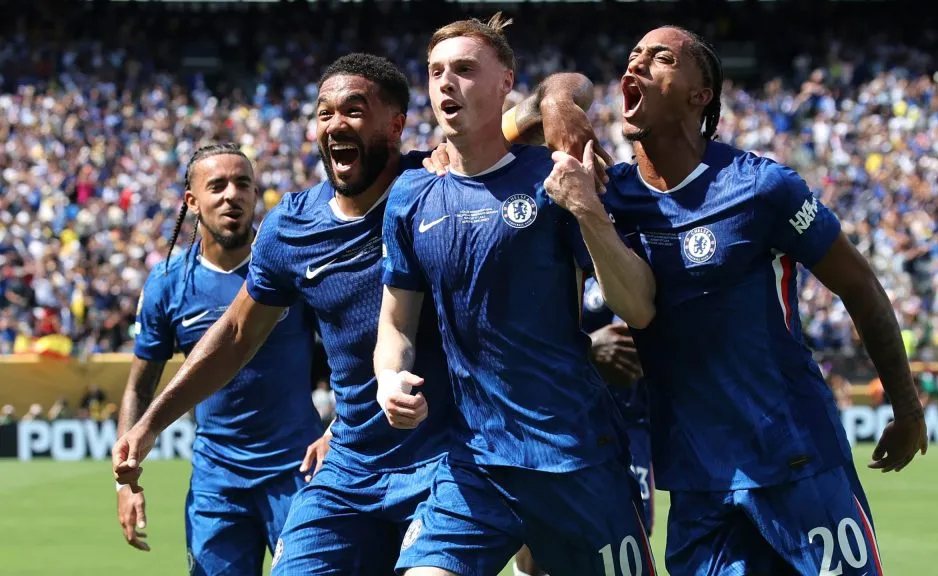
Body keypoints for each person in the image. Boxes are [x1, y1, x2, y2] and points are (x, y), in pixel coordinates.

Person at [113, 53, 597, 576]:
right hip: (352, 466)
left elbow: (541, 99)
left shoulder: (437, 181)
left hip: (451, 458)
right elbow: (233, 334)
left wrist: (556, 99)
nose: (335, 124)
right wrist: (149, 425)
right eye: (324, 113)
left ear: (395, 125)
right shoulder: (291, 227)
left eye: (353, 110)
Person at [546, 25, 929, 576]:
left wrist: (907, 407)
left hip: (794, 457)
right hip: (698, 480)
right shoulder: (611, 196)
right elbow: (553, 94)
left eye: (660, 59)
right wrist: (560, 100)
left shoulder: (761, 188)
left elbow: (860, 286)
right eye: (631, 58)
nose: (636, 67)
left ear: (701, 94)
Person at [375, 14, 657, 576]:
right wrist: (389, 377)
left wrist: (587, 210)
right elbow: (396, 324)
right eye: (435, 73)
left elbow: (641, 306)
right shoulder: (411, 193)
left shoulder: (550, 177)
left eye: (463, 70)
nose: (446, 84)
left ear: (506, 83)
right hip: (475, 462)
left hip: (575, 457)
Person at [114, 143, 328, 575]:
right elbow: (139, 385)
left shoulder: (289, 264)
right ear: (192, 201)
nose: (232, 194)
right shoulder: (169, 283)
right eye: (217, 185)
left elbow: (349, 349)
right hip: (217, 481)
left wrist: (336, 432)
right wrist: (123, 477)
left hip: (298, 469)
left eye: (243, 184)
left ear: (255, 194)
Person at [514, 277, 654, 576]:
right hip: (556, 420)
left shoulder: (637, 241)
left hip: (630, 419)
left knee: (627, 539)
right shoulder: (542, 246)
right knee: (537, 542)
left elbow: (631, 340)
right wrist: (588, 349)